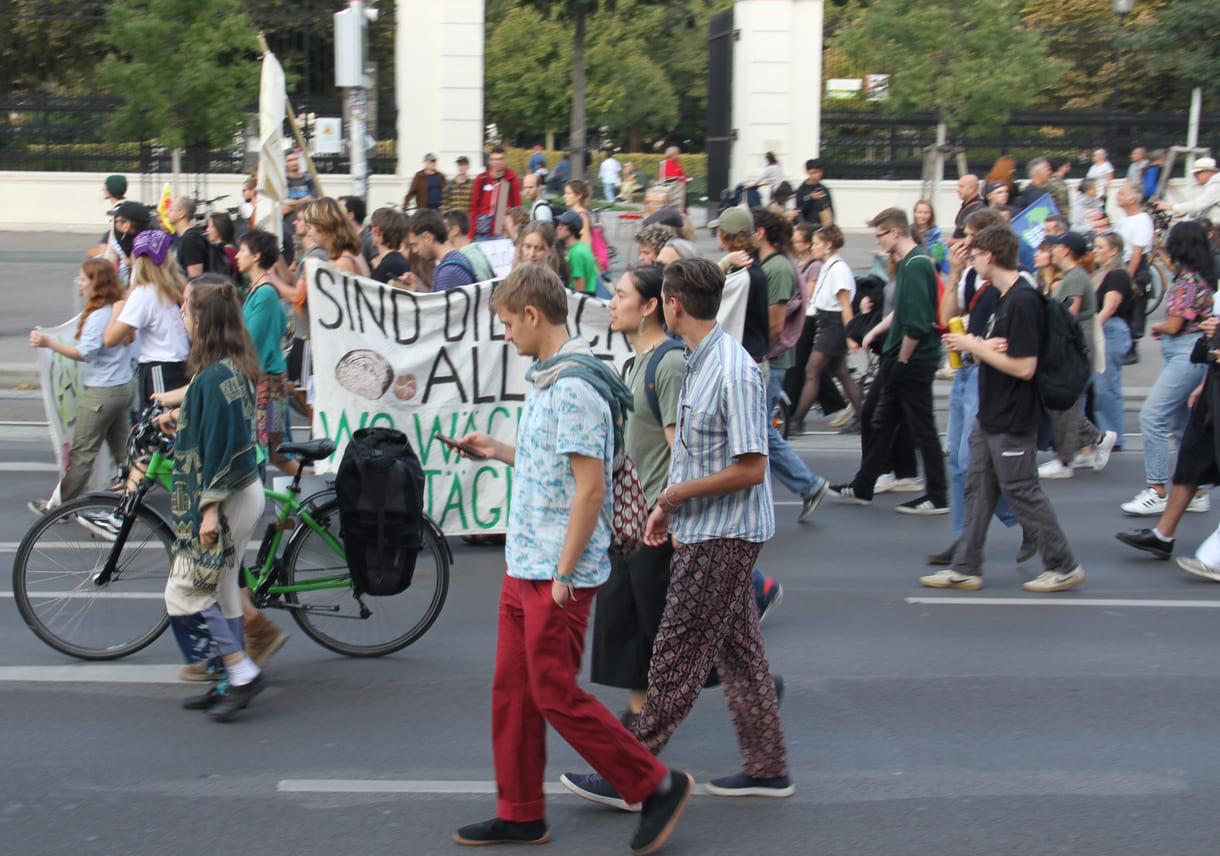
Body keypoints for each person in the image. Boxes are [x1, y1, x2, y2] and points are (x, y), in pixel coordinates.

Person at [450, 263, 693, 853]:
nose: (506, 335)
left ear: (533, 315)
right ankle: (521, 813)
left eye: (508, 324)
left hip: (557, 572)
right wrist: (498, 450)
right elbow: (556, 471)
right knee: (512, 692)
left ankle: (655, 784)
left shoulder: (576, 386)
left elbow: (590, 490)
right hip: (526, 563)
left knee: (555, 692)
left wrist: (563, 574)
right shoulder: (550, 376)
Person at [562, 257, 790, 808]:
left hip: (724, 533)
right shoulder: (694, 359)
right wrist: (667, 505)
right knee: (739, 654)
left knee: (674, 657)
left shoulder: (731, 369)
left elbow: (752, 467)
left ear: (673, 305)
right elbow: (686, 451)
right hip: (702, 525)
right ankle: (768, 768)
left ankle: (631, 775)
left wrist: (675, 496)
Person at [922, 224, 1085, 593]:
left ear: (990, 256)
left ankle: (1063, 565)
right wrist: (981, 345)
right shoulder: (1001, 297)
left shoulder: (1023, 300)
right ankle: (965, 566)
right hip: (992, 412)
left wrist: (973, 346)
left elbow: (1024, 366)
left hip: (1013, 414)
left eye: (975, 255)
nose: (972, 260)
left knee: (1022, 490)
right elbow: (1004, 349)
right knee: (978, 490)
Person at [158, 277, 269, 721]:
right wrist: (180, 420)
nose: (181, 317)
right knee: (221, 590)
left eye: (184, 310)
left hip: (227, 501)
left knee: (188, 590)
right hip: (240, 496)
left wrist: (208, 512)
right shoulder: (227, 366)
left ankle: (240, 671)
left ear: (201, 320)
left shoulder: (216, 373)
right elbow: (211, 424)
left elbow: (221, 447)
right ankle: (230, 677)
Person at [591, 264, 684, 728]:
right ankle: (638, 718)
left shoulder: (668, 363)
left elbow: (681, 453)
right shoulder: (633, 365)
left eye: (622, 294)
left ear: (650, 306)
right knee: (630, 625)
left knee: (664, 632)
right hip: (629, 522)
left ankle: (755, 685)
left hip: (656, 524)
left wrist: (666, 513)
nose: (611, 301)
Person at [926, 209, 1032, 566]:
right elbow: (946, 320)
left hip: (987, 373)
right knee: (957, 462)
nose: (963, 244)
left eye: (969, 237)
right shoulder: (972, 274)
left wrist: (980, 346)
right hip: (967, 369)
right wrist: (954, 275)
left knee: (971, 462)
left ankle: (1022, 520)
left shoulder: (1014, 282)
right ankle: (964, 540)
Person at [830, 207, 949, 515]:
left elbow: (918, 321)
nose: (877, 240)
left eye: (880, 234)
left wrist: (902, 359)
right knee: (878, 420)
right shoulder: (908, 263)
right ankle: (863, 485)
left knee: (921, 428)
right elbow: (902, 312)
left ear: (895, 232)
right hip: (900, 358)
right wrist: (877, 332)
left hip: (911, 360)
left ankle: (938, 495)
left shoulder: (917, 264)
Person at [1120, 220, 1216, 517]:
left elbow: (1175, 323)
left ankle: (1157, 489)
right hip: (1188, 353)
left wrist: (1160, 326)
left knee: (1152, 416)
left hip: (1185, 354)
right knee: (1180, 424)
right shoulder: (1195, 276)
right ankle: (1196, 489)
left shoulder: (1189, 281)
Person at [27, 259, 134, 515]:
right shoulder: (118, 310)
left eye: (84, 279)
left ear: (96, 283)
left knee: (82, 453)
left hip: (101, 393)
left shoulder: (98, 316)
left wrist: (48, 343)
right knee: (123, 450)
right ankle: (133, 500)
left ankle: (57, 508)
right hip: (121, 388)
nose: (80, 284)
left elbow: (85, 352)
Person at [1118, 314, 1220, 567]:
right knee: (1190, 459)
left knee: (1155, 417)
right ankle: (1163, 535)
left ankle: (1212, 556)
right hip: (1214, 384)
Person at [750, 207, 830, 521]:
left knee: (760, 433)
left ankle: (809, 485)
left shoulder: (778, 268)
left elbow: (773, 325)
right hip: (766, 359)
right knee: (758, 433)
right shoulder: (770, 264)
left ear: (759, 233)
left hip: (771, 361)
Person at [1036, 231, 1117, 480]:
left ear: (1066, 251)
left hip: (1072, 349)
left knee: (1063, 402)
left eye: (1056, 246)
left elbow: (1066, 315)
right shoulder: (1072, 276)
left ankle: (1065, 460)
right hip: (1073, 347)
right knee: (1063, 403)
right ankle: (1096, 440)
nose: (1052, 250)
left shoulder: (1074, 278)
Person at [790, 224, 863, 435]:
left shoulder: (838, 268)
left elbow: (845, 305)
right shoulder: (829, 266)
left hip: (835, 326)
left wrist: (850, 335)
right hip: (828, 323)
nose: (813, 247)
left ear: (828, 245)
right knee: (841, 373)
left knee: (812, 370)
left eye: (817, 243)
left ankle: (796, 420)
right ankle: (861, 415)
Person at [236, 229, 297, 477]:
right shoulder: (259, 292)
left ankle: (318, 496)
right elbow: (285, 327)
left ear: (256, 256)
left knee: (268, 449)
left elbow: (250, 344)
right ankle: (312, 500)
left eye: (242, 250)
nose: (237, 255)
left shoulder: (265, 294)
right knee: (276, 451)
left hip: (267, 388)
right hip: (268, 384)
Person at [104, 229, 190, 405]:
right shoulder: (170, 287)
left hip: (160, 368)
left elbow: (110, 339)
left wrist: (116, 311)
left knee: (159, 425)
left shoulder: (144, 293)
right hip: (180, 366)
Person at [1091, 231, 1135, 445]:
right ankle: (1101, 433)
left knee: (1106, 386)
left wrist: (1090, 332)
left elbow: (1109, 309)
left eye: (1100, 247)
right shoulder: (1101, 273)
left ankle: (1112, 436)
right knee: (1097, 386)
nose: (1095, 251)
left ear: (1114, 250)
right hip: (1103, 331)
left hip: (1110, 331)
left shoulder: (1117, 275)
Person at [404, 209, 476, 293]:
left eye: (415, 244)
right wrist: (419, 285)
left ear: (429, 238)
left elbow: (440, 305)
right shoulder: (457, 259)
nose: (414, 250)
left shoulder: (448, 273)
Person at [302, 197, 371, 278]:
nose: (308, 234)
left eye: (310, 227)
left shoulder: (343, 261)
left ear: (323, 226)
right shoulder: (351, 254)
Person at [468, 146, 521, 239]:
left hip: (502, 231)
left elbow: (517, 207)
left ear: (505, 161)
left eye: (500, 159)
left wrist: (516, 232)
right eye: (495, 159)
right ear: (489, 161)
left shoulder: (510, 179)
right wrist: (470, 234)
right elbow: (473, 208)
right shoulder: (481, 179)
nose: (497, 163)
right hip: (482, 231)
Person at [280, 148, 317, 265]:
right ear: (285, 163)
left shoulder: (307, 178)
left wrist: (292, 203)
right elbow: (283, 208)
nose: (294, 162)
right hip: (290, 230)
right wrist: (305, 201)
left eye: (295, 159)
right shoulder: (283, 181)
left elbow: (314, 200)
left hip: (309, 231)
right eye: (290, 160)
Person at [1156, 157, 1220, 222]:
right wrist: (1187, 211)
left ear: (1209, 172)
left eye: (1198, 173)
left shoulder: (1217, 184)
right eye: (1195, 174)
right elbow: (1204, 207)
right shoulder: (1213, 184)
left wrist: (1170, 207)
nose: (1195, 176)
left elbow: (1198, 205)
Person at [444, 210, 496, 282]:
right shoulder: (468, 254)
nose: (441, 234)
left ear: (455, 230)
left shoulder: (472, 257)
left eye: (444, 229)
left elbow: (484, 288)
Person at [556, 210, 598, 294]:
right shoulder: (581, 246)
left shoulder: (576, 253)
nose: (558, 227)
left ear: (573, 228)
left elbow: (579, 286)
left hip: (585, 296)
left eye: (562, 225)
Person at [166, 197, 208, 278]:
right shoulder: (185, 238)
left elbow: (195, 278)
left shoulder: (190, 240)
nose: (167, 213)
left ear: (181, 214)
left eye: (171, 209)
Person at [368, 207, 411, 284]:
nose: (370, 231)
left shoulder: (386, 266)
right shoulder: (402, 261)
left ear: (377, 231)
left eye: (371, 228)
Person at [912, 199, 948, 273]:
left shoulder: (935, 232)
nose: (923, 216)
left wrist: (930, 262)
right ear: (915, 213)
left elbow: (940, 252)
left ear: (931, 214)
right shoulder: (909, 231)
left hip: (932, 269)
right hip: (913, 268)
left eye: (926, 212)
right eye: (920, 212)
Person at [795, 159, 833, 227]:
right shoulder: (802, 190)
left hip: (822, 227)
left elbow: (830, 208)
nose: (818, 175)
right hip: (807, 227)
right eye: (814, 172)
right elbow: (799, 209)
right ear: (808, 172)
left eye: (820, 172)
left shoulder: (824, 189)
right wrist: (810, 198)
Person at [951, 174, 985, 241]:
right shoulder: (967, 205)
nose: (958, 190)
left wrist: (952, 241)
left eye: (961, 187)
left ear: (972, 188)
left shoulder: (978, 209)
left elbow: (977, 238)